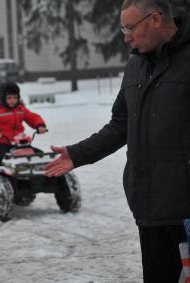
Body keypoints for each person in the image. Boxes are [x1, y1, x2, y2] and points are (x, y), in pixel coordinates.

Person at [45, 1, 190, 281]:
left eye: (130, 27)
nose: (126, 37)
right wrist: (77, 154)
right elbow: (121, 124)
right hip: (149, 209)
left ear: (156, 19)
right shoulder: (136, 65)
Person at [0, 82, 47, 171]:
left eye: (15, 98)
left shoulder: (20, 109)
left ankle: (41, 178)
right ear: (3, 98)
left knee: (39, 155)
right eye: (9, 98)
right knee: (0, 159)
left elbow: (33, 117)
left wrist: (40, 125)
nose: (12, 100)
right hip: (1, 142)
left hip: (20, 143)